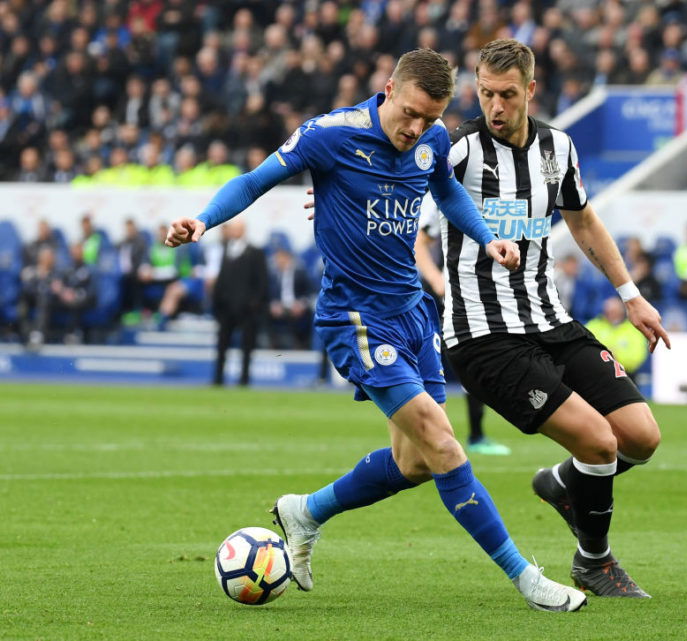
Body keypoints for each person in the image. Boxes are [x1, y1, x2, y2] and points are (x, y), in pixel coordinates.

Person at [164, 48, 585, 612]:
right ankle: (525, 577)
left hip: (412, 314)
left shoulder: (433, 140)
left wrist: (487, 238)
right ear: (388, 89)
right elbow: (256, 179)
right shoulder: (329, 135)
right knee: (443, 445)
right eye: (409, 112)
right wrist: (203, 221)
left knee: (414, 462)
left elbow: (447, 191)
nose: (416, 128)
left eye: (429, 118)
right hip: (356, 318)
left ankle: (305, 511)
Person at [417, 39, 670, 598]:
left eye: (507, 95)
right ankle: (594, 562)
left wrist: (631, 295)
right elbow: (403, 203)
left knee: (641, 437)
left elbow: (583, 223)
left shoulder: (558, 148)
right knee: (601, 443)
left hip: (550, 322)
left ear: (531, 90)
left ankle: (563, 484)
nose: (495, 107)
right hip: (484, 337)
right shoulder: (456, 149)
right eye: (485, 94)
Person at [415, 223, 511, 456]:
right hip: (452, 303)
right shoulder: (448, 194)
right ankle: (425, 435)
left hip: (480, 301)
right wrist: (437, 280)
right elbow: (419, 241)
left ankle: (473, 435)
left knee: (476, 368)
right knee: (432, 366)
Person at [211, 220, 268, 386]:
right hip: (226, 307)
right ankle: (218, 378)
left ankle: (244, 379)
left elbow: (262, 281)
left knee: (247, 346)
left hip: (247, 309)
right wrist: (217, 301)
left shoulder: (255, 252)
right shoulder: (225, 249)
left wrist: (255, 303)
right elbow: (221, 279)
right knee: (222, 345)